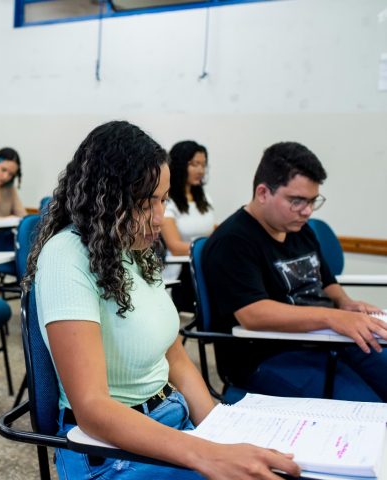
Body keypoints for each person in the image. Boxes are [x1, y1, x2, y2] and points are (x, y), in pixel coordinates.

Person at [23, 121, 300, 480]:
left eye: (163, 199)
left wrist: (220, 429)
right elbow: (92, 408)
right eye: (143, 203)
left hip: (170, 421)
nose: (159, 218)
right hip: (108, 451)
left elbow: (176, 357)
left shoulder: (134, 248)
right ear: (104, 199)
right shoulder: (66, 256)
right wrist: (207, 454)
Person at [202, 141, 387, 401]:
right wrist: (331, 318)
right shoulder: (233, 241)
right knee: (371, 408)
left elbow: (325, 280)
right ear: (263, 193)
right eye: (297, 201)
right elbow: (253, 315)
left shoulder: (298, 229)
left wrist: (345, 303)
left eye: (312, 201)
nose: (307, 211)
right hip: (269, 355)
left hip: (326, 339)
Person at [160, 140, 215, 312]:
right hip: (181, 270)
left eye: (203, 165)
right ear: (180, 165)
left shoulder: (203, 196)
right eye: (194, 164)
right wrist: (212, 247)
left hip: (204, 262)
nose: (200, 170)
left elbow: (212, 229)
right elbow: (175, 247)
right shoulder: (167, 200)